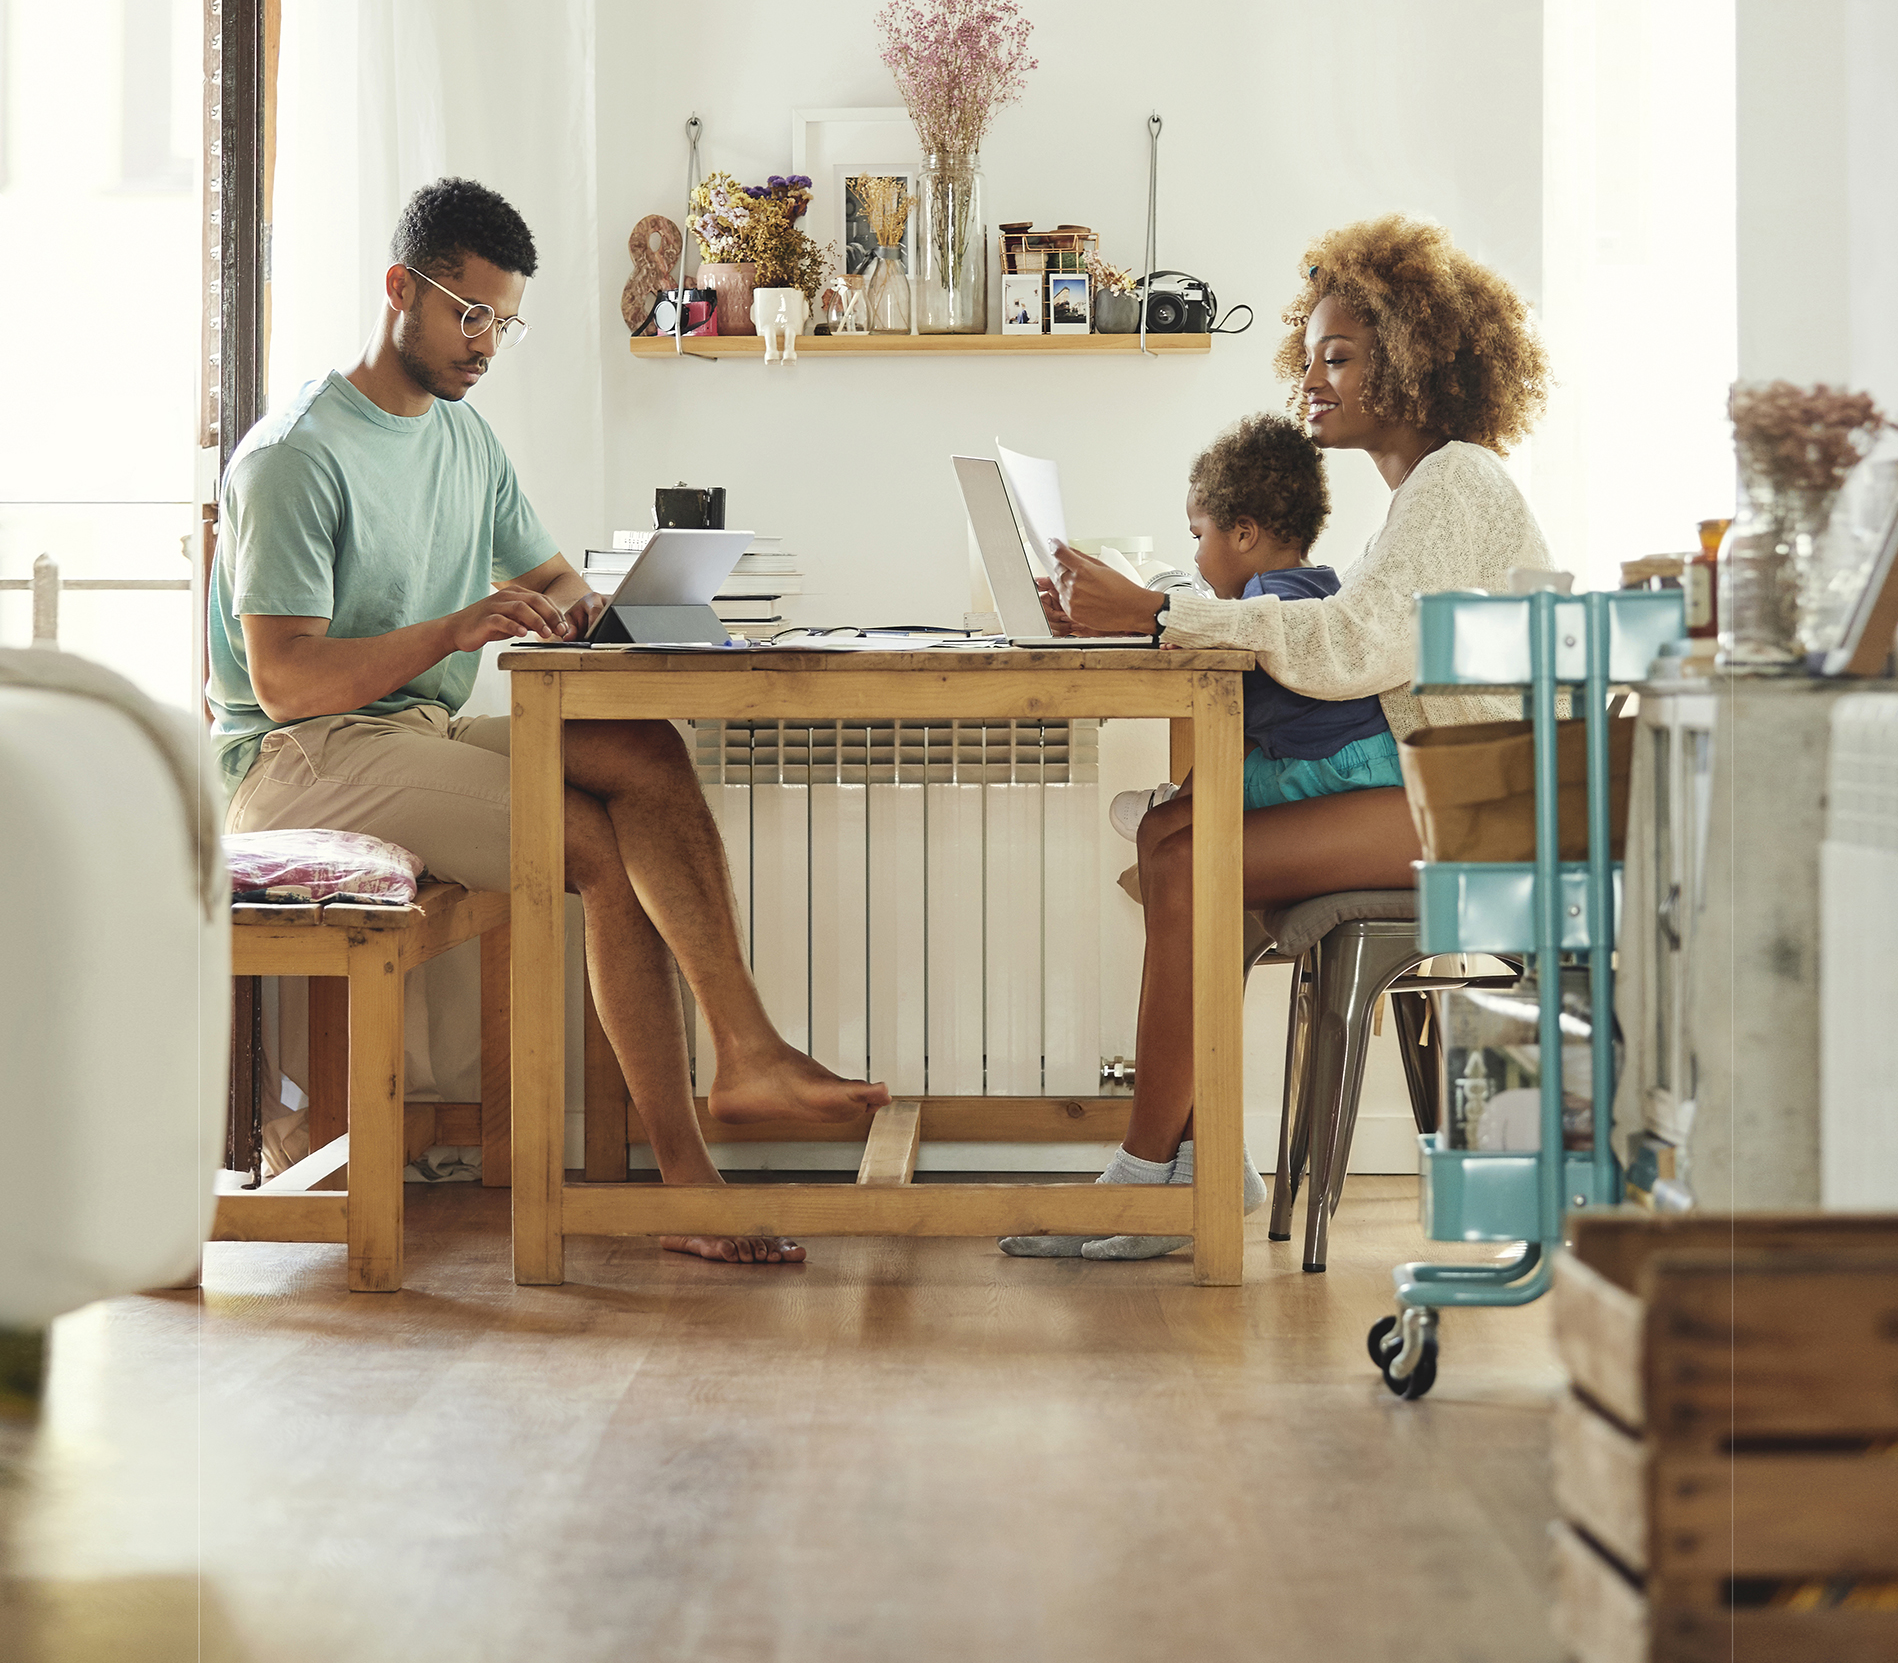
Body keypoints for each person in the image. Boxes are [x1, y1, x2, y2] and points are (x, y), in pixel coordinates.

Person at [212, 176, 888, 1265]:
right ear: (401, 289)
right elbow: (283, 679)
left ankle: (747, 1049)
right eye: (468, 313)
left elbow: (556, 579)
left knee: (641, 749)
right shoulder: (297, 454)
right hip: (299, 758)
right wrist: (451, 630)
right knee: (589, 842)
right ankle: (686, 1178)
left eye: (503, 323)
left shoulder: (461, 441)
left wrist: (597, 616)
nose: (485, 343)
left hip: (405, 739)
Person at [1005, 214, 1553, 1261]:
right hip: (1441, 791)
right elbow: (1359, 635)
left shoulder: (1454, 481)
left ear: (1413, 362)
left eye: (1338, 357)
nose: (1313, 379)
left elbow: (1356, 642)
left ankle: (1151, 1178)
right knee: (1170, 845)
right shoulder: (1418, 496)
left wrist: (1163, 613)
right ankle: (1195, 1161)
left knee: (1191, 855)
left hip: (1475, 805)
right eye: (1308, 358)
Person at [1106, 411, 1398, 847]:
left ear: (1244, 534)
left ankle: (1169, 808)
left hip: (1337, 768)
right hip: (1367, 757)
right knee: (1229, 754)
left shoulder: (1268, 598)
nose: (1198, 558)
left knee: (1167, 823)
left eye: (1197, 537)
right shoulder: (1319, 582)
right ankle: (1174, 803)